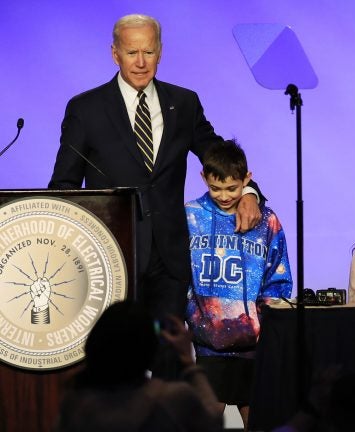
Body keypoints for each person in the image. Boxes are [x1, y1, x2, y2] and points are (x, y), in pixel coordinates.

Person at [47, 13, 265, 379]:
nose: (140, 62)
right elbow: (64, 185)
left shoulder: (184, 103)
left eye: (148, 52)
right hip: (112, 255)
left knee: (169, 363)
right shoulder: (86, 109)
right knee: (116, 364)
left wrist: (249, 191)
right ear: (114, 53)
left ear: (160, 52)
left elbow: (216, 153)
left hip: (168, 259)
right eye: (131, 52)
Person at [185, 139, 292, 429]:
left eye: (232, 188)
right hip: (208, 343)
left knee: (257, 420)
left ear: (247, 180)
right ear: (203, 178)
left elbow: (278, 278)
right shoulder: (191, 215)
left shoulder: (266, 221)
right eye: (215, 188)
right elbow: (179, 273)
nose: (223, 196)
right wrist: (193, 316)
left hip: (254, 344)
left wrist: (265, 323)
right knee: (204, 421)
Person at [53, 300, 223, 432]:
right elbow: (213, 421)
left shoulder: (76, 405)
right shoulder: (173, 398)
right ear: (150, 349)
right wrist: (189, 363)